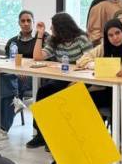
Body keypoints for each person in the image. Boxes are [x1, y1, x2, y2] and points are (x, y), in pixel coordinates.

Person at [26, 12, 94, 149]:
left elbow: (91, 60)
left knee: (60, 96)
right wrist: (40, 35)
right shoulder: (54, 40)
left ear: (62, 27)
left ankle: (56, 137)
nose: (51, 29)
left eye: (53, 26)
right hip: (62, 78)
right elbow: (37, 57)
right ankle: (41, 134)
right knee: (44, 91)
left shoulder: (81, 39)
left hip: (81, 78)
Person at [76, 18, 122, 112]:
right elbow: (84, 59)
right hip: (107, 89)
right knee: (81, 99)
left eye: (117, 33)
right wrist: (98, 66)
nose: (115, 37)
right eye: (110, 35)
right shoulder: (104, 47)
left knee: (114, 102)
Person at [0, 10, 38, 142]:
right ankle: (15, 102)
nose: (26, 23)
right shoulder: (12, 42)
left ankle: (1, 127)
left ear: (33, 22)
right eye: (23, 21)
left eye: (29, 21)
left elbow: (42, 60)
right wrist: (16, 71)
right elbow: (8, 61)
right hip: (15, 75)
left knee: (7, 85)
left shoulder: (40, 39)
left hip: (32, 76)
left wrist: (25, 70)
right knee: (4, 80)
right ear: (19, 23)